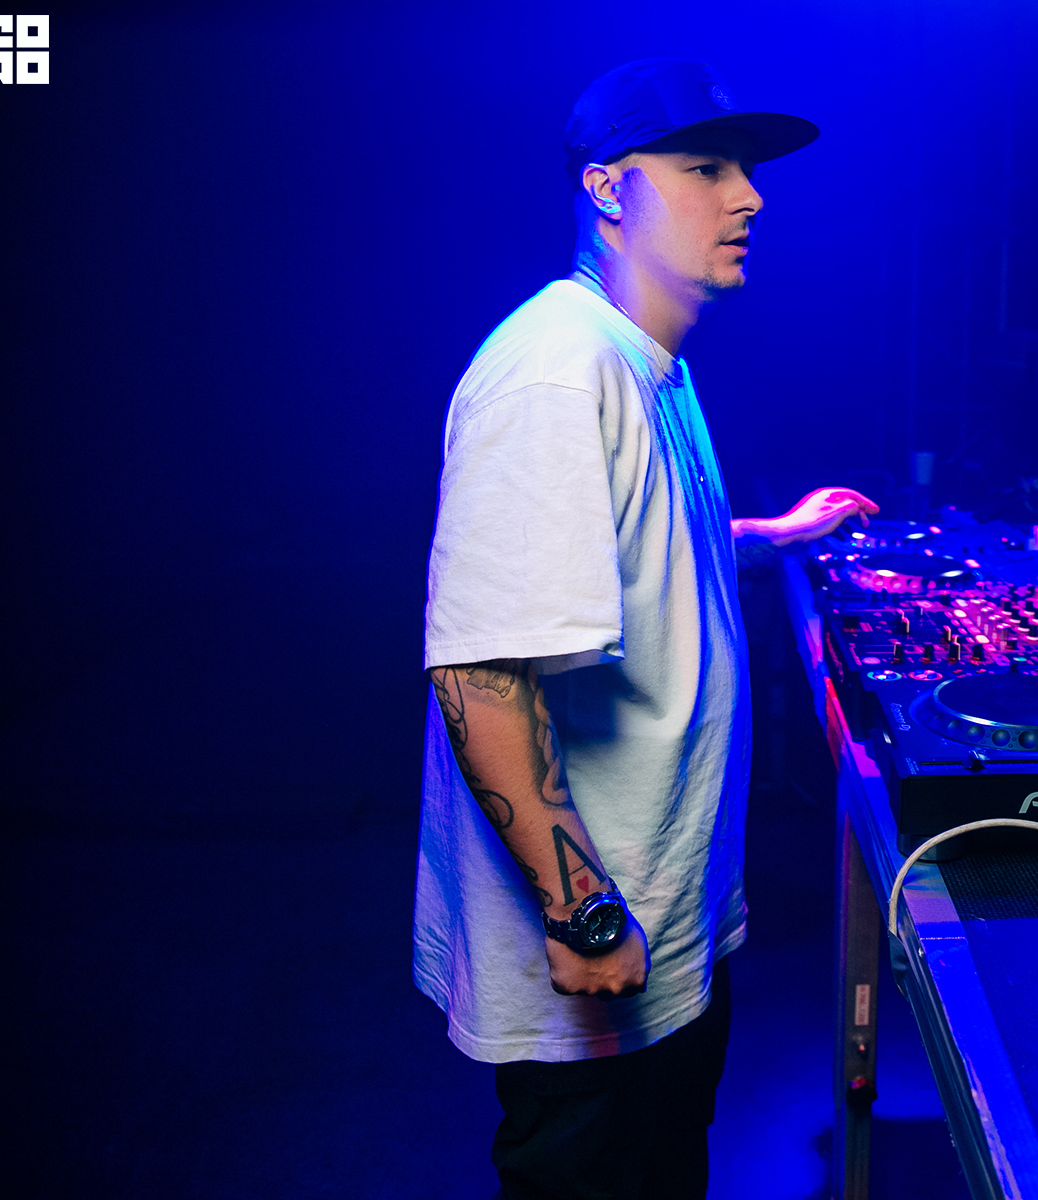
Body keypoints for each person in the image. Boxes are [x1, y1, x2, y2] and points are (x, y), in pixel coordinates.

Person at [413, 59, 878, 1199]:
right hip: (599, 940)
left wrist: (772, 534)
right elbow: (479, 673)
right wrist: (584, 913)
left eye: (746, 170)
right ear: (607, 189)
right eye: (707, 168)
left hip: (668, 922)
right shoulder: (555, 376)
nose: (749, 195)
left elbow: (632, 550)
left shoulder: (644, 361)